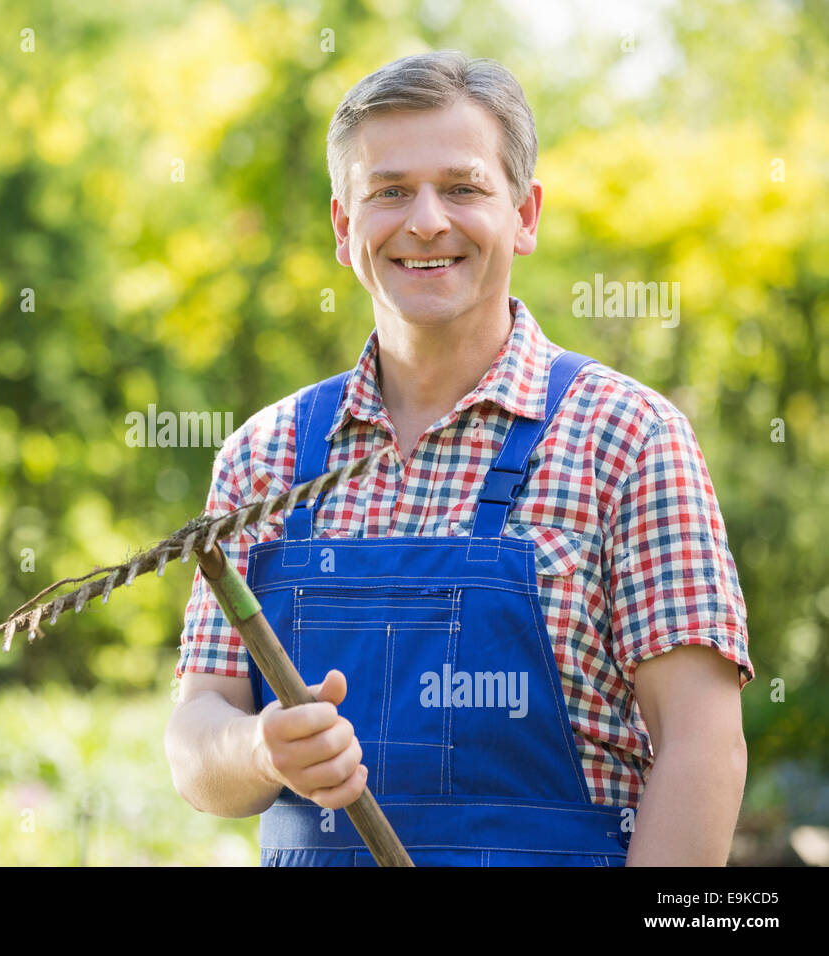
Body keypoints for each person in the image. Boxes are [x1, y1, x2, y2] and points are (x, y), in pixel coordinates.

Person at [164, 50, 752, 866]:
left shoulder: (627, 439)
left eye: (464, 188)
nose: (427, 221)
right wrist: (263, 749)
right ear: (345, 227)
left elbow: (702, 746)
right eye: (391, 191)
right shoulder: (264, 459)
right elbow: (197, 736)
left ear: (525, 213)